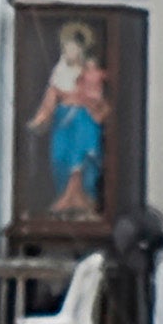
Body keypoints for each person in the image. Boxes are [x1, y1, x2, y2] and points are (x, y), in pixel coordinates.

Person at [36, 22, 111, 218]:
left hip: (84, 120)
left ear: (81, 49)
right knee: (60, 157)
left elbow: (97, 98)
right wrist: (41, 118)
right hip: (63, 121)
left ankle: (86, 202)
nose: (69, 52)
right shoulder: (59, 72)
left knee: (84, 159)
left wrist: (86, 98)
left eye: (73, 48)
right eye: (66, 47)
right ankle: (64, 201)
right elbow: (50, 98)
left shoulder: (89, 72)